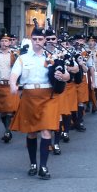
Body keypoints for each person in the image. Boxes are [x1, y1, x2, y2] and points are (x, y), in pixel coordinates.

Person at [9, 25, 69, 180]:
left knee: (46, 131)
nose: (37, 42)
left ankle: (43, 166)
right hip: (29, 97)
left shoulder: (53, 57)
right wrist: (13, 85)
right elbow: (14, 75)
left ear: (44, 40)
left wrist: (62, 76)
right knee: (31, 132)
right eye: (34, 39)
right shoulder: (23, 58)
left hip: (48, 97)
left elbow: (67, 75)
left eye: (40, 39)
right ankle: (33, 163)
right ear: (30, 40)